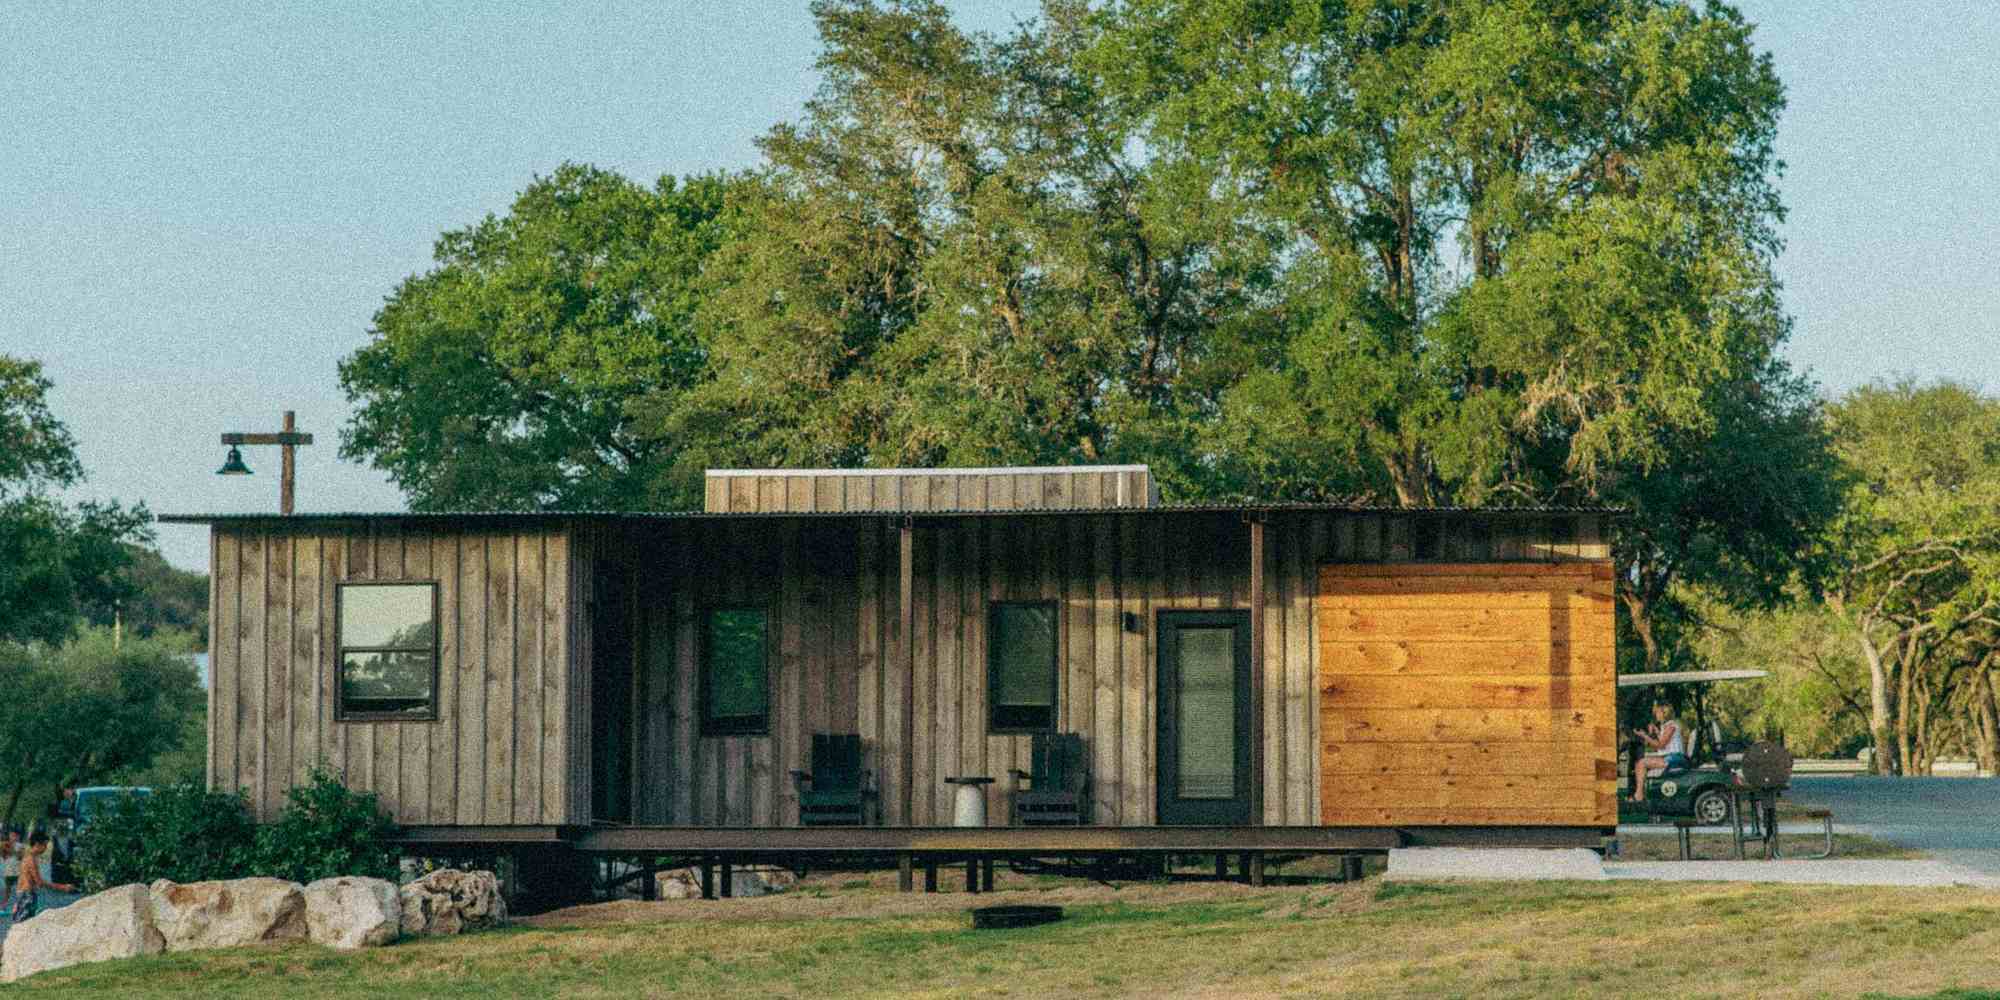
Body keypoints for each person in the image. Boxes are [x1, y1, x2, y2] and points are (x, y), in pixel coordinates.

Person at [1629, 701, 1688, 804]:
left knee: (1641, 763)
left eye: (1657, 712)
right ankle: (1642, 794)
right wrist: (1656, 731)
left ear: (1664, 713)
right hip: (1670, 757)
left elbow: (1661, 745)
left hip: (1675, 759)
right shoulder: (1666, 726)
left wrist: (1644, 736)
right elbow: (1662, 742)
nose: (1656, 714)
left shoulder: (1671, 726)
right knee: (1639, 763)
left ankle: (1639, 796)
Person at [11, 831, 75, 923]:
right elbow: (39, 882)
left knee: (20, 922)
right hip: (27, 895)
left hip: (21, 893)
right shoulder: (31, 860)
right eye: (44, 845)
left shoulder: (27, 857)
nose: (45, 849)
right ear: (37, 844)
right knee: (24, 923)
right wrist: (63, 887)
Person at [0, 828, 18, 905]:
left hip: (15, 871)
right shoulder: (3, 844)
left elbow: (18, 855)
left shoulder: (4, 844)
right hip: (9, 871)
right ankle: (3, 905)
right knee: (8, 889)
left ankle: (4, 905)